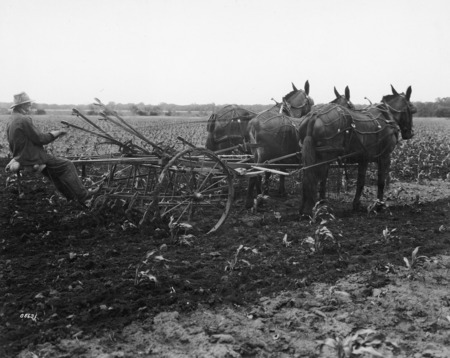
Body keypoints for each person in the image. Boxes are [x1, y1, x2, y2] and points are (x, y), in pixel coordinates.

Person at [6, 92, 97, 205]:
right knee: (67, 165)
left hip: (21, 156)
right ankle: (84, 196)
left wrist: (17, 157)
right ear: (21, 106)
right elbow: (40, 139)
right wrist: (56, 133)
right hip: (32, 157)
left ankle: (71, 197)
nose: (30, 106)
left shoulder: (11, 120)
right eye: (28, 104)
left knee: (54, 174)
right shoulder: (23, 120)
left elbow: (11, 142)